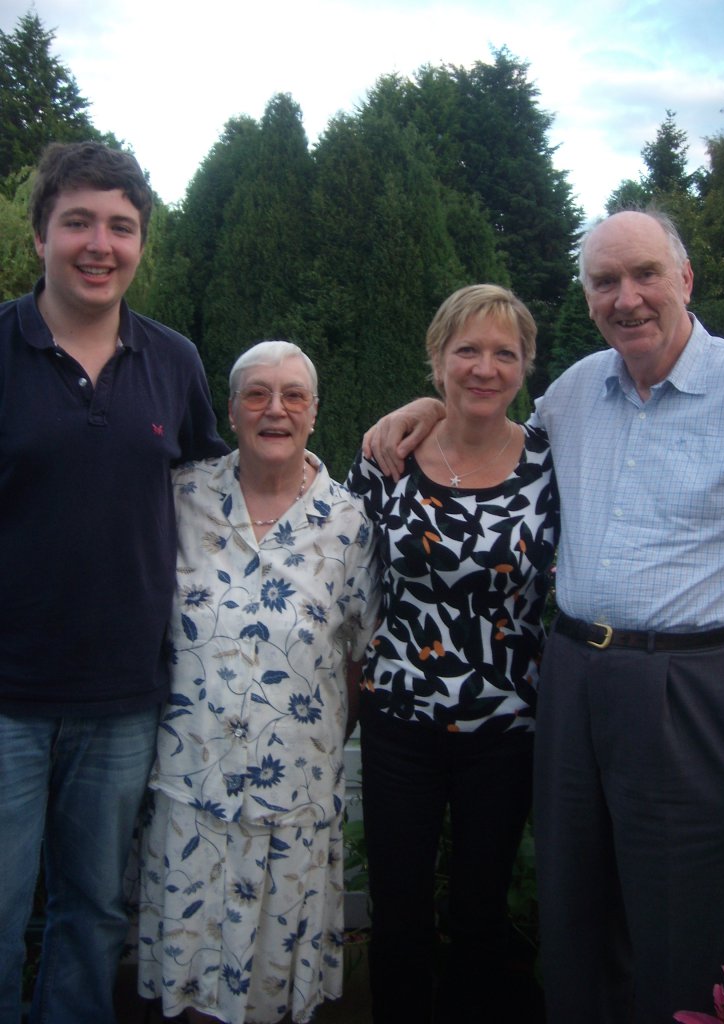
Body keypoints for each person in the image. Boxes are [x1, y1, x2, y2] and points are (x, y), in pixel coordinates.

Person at [364, 210, 724, 1023]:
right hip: (574, 679)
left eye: (645, 274)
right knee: (573, 910)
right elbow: (484, 415)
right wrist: (427, 407)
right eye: (604, 281)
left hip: (698, 683)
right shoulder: (577, 394)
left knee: (684, 921)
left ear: (685, 280)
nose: (627, 298)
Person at [0, 141, 227, 1024]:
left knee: (93, 913)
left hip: (124, 700)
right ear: (40, 237)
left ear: (140, 244)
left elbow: (225, 491)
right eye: (79, 223)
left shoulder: (174, 360)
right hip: (7, 698)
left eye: (121, 227)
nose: (100, 244)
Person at [136, 341, 380, 1024]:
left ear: (313, 413)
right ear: (232, 409)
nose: (276, 409)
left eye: (293, 395)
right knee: (187, 992)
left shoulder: (349, 523)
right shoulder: (181, 498)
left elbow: (357, 659)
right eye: (257, 394)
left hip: (292, 801)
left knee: (274, 993)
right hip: (192, 791)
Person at [348, 285, 558, 1024]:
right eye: (466, 349)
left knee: (480, 913)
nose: (484, 367)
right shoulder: (387, 457)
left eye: (505, 352)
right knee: (398, 911)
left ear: (526, 366)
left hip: (505, 730)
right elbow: (349, 586)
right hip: (400, 719)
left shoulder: (549, 463)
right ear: (436, 359)